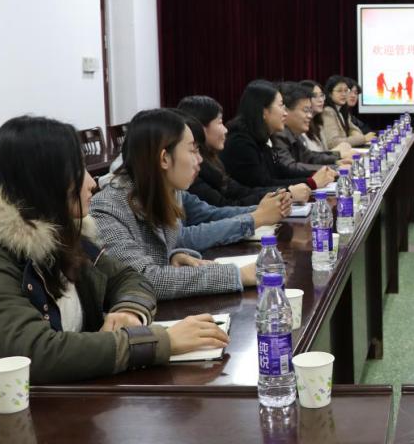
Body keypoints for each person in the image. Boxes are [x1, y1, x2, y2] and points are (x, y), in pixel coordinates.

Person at [0, 115, 228, 383]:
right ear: (45, 179)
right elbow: (31, 352)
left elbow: (128, 277)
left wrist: (129, 311)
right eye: (79, 169)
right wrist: (158, 342)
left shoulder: (62, 231)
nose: (92, 182)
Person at [91, 109, 260, 300]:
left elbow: (166, 246)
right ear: (164, 158)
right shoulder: (107, 208)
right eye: (192, 150)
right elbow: (142, 279)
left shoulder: (165, 191)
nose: (200, 159)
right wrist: (238, 275)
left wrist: (172, 257)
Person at [174, 114, 291, 252]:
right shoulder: (240, 143)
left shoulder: (179, 192)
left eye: (198, 150)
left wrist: (263, 208)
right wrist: (256, 217)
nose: (199, 159)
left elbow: (211, 213)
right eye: (192, 150)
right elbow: (182, 239)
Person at [221, 79, 337, 192]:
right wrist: (311, 182)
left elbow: (281, 171)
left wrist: (315, 176)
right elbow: (262, 185)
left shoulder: (262, 137)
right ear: (264, 111)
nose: (285, 113)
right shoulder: (241, 142)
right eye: (281, 106)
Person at [178, 94, 280, 207]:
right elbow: (222, 208)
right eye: (220, 122)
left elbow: (241, 191)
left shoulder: (213, 162)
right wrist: (278, 197)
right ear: (201, 128)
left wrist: (281, 193)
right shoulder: (193, 171)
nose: (225, 129)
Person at [273, 82, 349, 175]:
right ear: (286, 111)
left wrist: (337, 160)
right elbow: (289, 167)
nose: (309, 115)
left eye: (310, 110)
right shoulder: (279, 134)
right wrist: (335, 168)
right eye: (305, 110)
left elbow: (309, 157)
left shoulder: (292, 133)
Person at [319, 75, 376, 149]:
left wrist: (354, 133)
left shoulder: (342, 111)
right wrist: (363, 139)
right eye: (339, 91)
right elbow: (332, 142)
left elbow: (354, 130)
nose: (344, 94)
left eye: (346, 91)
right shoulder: (328, 111)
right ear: (330, 94)